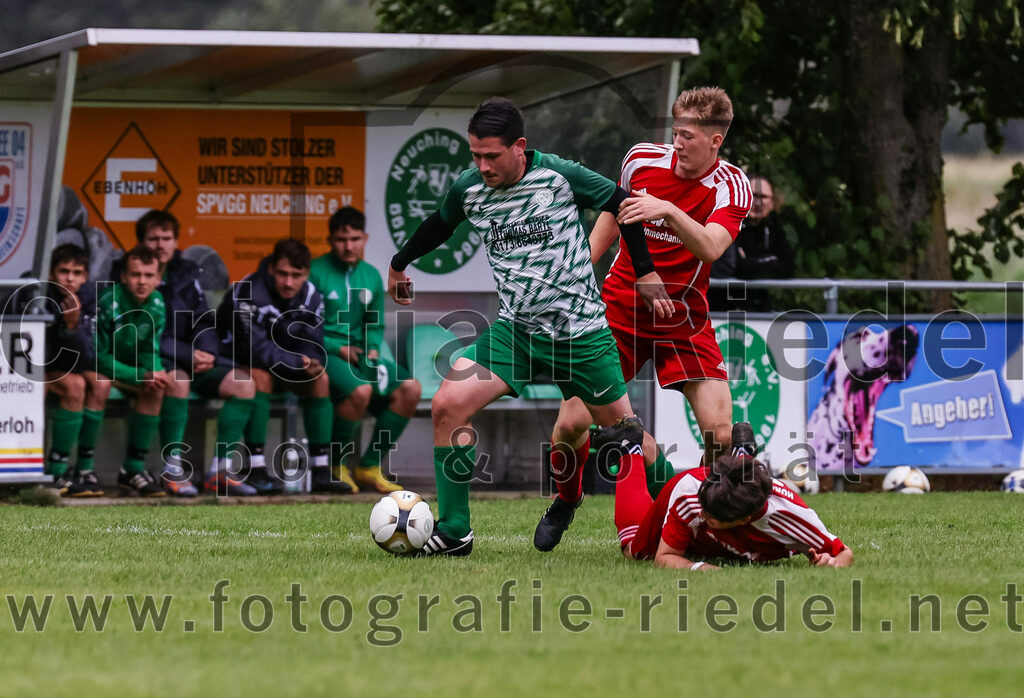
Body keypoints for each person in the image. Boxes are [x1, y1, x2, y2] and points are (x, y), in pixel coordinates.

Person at [387, 97, 671, 556]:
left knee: (630, 439)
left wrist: (645, 271)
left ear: (520, 146)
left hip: (580, 336)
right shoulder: (470, 189)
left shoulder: (560, 176)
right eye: (475, 155)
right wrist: (400, 264)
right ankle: (456, 530)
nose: (482, 166)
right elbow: (440, 224)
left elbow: (624, 205)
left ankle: (697, 506)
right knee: (448, 404)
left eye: (491, 156)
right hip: (515, 333)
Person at [550, 86, 752, 536]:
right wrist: (581, 268)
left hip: (684, 319)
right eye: (675, 132)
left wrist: (667, 209)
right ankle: (567, 499)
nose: (677, 143)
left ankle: (710, 520)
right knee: (568, 427)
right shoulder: (642, 159)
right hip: (621, 309)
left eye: (688, 136)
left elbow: (712, 248)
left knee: (721, 435)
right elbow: (613, 212)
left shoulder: (732, 184)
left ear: (715, 141)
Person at [130, 210, 258, 496]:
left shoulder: (187, 275)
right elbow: (146, 333)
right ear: (141, 242)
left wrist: (208, 352)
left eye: (167, 238)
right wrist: (190, 355)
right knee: (178, 380)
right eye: (153, 239)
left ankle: (219, 471)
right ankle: (172, 468)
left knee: (245, 384)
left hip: (194, 359)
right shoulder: (133, 275)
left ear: (176, 242)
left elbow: (204, 320)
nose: (160, 245)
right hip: (157, 359)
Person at [609, 418, 852, 568]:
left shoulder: (790, 515)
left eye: (711, 517)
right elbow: (666, 557)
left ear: (745, 519)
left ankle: (742, 455)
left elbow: (843, 554)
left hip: (734, 500)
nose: (702, 514)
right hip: (688, 484)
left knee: (739, 486)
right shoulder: (691, 496)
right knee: (635, 553)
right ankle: (630, 446)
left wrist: (832, 564)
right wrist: (697, 569)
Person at [218, 238, 349, 494]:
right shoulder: (248, 290)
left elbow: (313, 339)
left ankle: (321, 469)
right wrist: (295, 362)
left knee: (319, 378)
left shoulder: (311, 294)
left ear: (306, 274)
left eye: (296, 275)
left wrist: (313, 361)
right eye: (282, 274)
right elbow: (251, 348)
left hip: (286, 365)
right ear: (271, 269)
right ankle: (255, 468)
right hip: (237, 361)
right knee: (260, 376)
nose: (289, 282)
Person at [309, 206, 422, 494]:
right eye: (341, 239)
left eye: (355, 239)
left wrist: (372, 349)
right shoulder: (315, 272)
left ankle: (369, 466)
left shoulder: (371, 275)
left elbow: (374, 323)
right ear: (331, 240)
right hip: (325, 353)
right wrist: (336, 346)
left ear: (365, 238)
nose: (349, 246)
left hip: (361, 355)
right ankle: (336, 465)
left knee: (410, 388)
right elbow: (305, 326)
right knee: (360, 391)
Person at [12, 244, 110, 496]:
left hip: (62, 363)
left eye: (77, 272)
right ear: (52, 272)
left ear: (85, 276)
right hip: (26, 365)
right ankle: (44, 470)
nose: (70, 278)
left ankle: (78, 469)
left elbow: (85, 356)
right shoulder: (34, 290)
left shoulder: (86, 297)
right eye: (64, 271)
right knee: (73, 385)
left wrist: (72, 326)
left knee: (100, 383)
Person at [94, 245, 172, 497]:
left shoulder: (158, 303)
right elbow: (97, 358)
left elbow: (151, 347)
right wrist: (140, 375)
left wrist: (155, 372)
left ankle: (133, 469)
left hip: (129, 371)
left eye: (149, 276)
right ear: (124, 277)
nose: (142, 281)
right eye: (136, 275)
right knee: (100, 382)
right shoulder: (108, 302)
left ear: (159, 279)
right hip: (100, 370)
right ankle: (82, 468)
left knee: (156, 389)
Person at [732, 174, 794, 311]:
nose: (758, 202)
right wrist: (770, 261)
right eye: (753, 195)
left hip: (760, 308)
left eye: (763, 197)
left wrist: (750, 263)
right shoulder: (730, 223)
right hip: (723, 308)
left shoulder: (774, 228)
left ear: (773, 203)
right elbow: (736, 267)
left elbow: (788, 267)